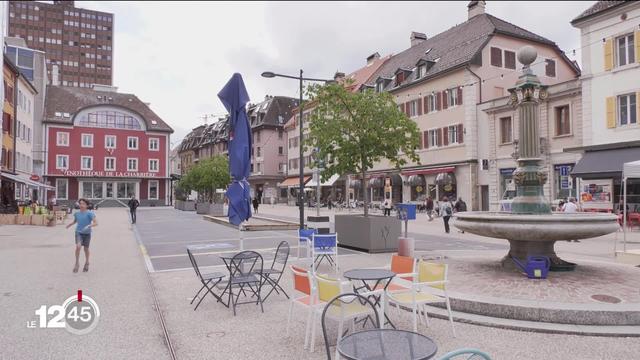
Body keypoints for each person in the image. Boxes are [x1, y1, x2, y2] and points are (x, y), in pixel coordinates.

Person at [66, 198, 97, 273]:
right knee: (78, 246)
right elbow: (76, 221)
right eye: (80, 203)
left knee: (86, 249)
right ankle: (77, 263)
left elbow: (96, 223)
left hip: (87, 233)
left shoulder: (90, 213)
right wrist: (70, 224)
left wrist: (89, 226)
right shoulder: (77, 213)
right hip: (78, 232)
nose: (81, 205)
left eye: (83, 204)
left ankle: (87, 262)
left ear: (87, 205)